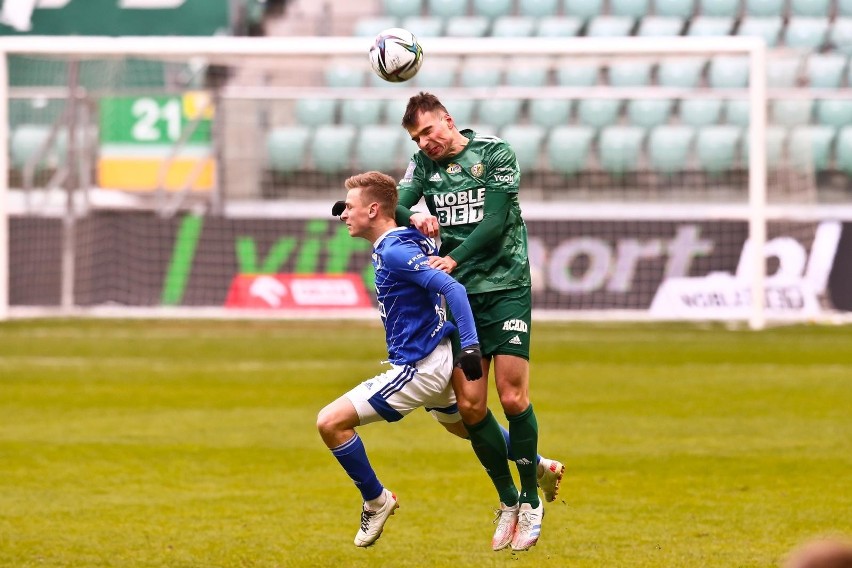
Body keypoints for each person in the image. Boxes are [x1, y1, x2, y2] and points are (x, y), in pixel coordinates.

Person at [394, 92, 563, 552]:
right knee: (470, 407)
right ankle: (507, 498)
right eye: (416, 136)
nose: (424, 142)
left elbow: (494, 221)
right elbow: (397, 204)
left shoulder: (494, 152)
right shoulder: (421, 166)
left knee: (511, 396)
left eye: (428, 131)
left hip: (507, 288)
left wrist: (452, 257)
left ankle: (531, 498)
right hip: (459, 298)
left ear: (448, 121)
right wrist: (415, 215)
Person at [316, 171, 485, 548]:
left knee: (330, 423)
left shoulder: (395, 250)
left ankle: (377, 500)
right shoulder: (405, 239)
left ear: (373, 210)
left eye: (350, 208)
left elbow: (451, 287)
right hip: (434, 354)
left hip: (418, 366)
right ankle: (537, 464)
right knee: (463, 427)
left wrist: (471, 345)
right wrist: (415, 217)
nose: (344, 215)